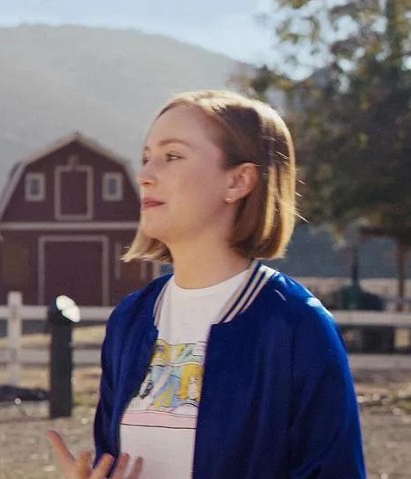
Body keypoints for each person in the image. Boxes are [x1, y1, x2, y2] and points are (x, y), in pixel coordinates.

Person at [47, 90, 364, 478]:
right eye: (146, 157)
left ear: (238, 181)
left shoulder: (296, 325)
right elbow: (111, 459)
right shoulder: (130, 319)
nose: (144, 175)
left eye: (172, 156)